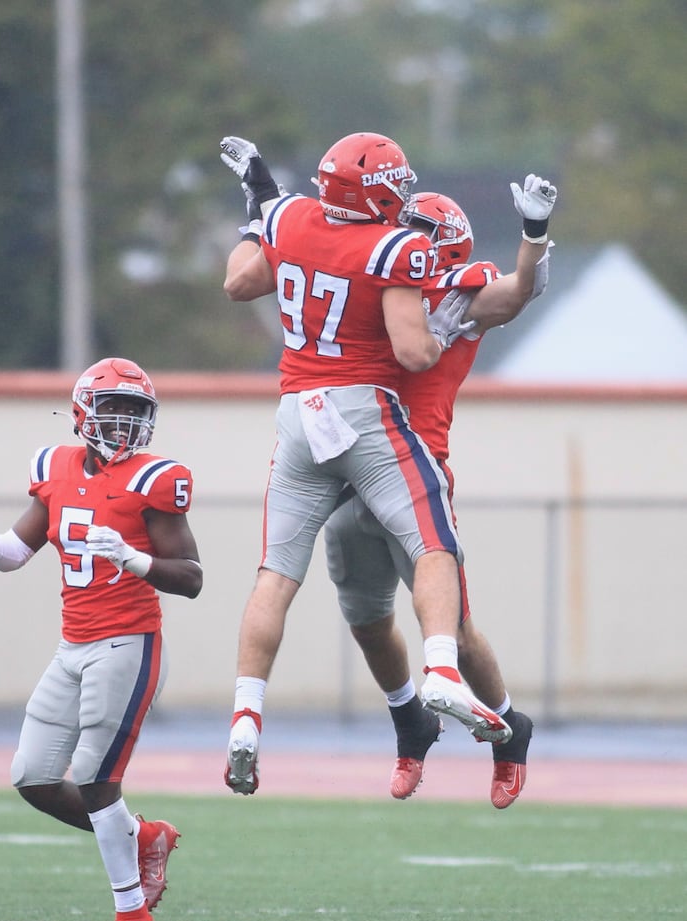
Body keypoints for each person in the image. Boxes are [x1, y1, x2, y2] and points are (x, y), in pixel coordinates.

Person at [218, 133, 511, 797]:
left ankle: (245, 715)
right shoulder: (396, 247)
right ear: (375, 190)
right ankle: (440, 670)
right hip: (361, 412)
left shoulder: (290, 218)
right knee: (434, 543)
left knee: (276, 574)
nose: (403, 194)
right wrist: (445, 326)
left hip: (296, 413)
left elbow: (241, 279)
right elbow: (412, 355)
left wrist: (258, 202)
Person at [0, 357, 203, 921]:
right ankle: (144, 837)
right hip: (74, 645)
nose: (124, 423)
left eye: (135, 412)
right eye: (113, 409)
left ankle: (134, 920)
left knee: (95, 778)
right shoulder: (55, 467)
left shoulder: (156, 479)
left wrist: (134, 558)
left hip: (128, 644)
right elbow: (18, 552)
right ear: (82, 414)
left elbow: (191, 578)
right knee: (33, 776)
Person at [324, 177, 557, 808]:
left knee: (454, 630)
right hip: (353, 473)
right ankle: (410, 723)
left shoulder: (461, 297)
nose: (405, 245)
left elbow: (519, 292)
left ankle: (511, 728)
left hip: (418, 468)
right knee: (367, 622)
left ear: (446, 249)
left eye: (419, 238)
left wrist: (533, 235)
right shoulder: (378, 287)